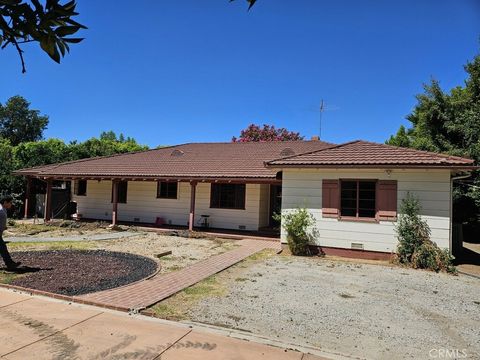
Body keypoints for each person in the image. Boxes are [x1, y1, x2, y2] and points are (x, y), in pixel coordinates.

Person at [0, 195, 21, 269]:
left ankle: (10, 264)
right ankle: (10, 264)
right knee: (3, 248)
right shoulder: (0, 210)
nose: (11, 204)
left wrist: (3, 226)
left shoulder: (4, 209)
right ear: (5, 202)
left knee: (2, 248)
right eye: (10, 202)